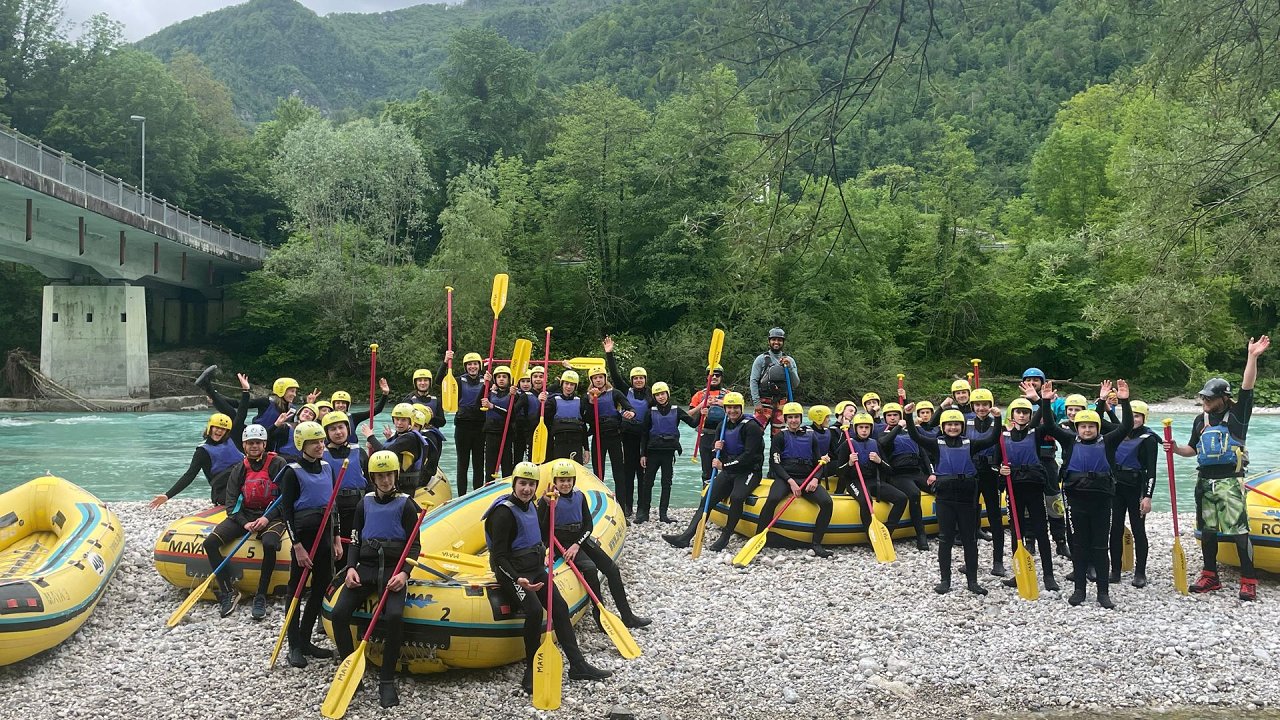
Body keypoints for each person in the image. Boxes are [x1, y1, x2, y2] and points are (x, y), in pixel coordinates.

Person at [484, 461, 612, 694]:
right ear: (514, 483)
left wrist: (547, 509)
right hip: (512, 574)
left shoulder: (531, 505)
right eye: (522, 484)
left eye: (531, 484)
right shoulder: (503, 513)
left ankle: (578, 665)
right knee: (533, 611)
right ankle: (532, 671)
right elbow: (499, 557)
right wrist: (517, 578)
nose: (527, 489)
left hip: (534, 568)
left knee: (560, 607)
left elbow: (539, 533)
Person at [1165, 335, 1269, 601]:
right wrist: (1175, 448)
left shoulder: (1237, 417)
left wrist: (1252, 357)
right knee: (1208, 531)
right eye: (1203, 397)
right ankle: (1210, 575)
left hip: (1230, 482)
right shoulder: (1200, 420)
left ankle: (1248, 579)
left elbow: (1247, 388)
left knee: (1239, 531)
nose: (1205, 401)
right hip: (1205, 482)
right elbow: (1192, 449)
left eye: (1209, 398)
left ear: (1223, 398)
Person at [330, 450, 422, 708]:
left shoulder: (406, 505)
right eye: (380, 476)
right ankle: (351, 670)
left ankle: (386, 679)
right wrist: (350, 568)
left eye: (389, 475)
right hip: (367, 567)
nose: (385, 480)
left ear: (396, 475)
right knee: (339, 614)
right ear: (373, 477)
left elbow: (414, 545)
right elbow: (356, 541)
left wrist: (404, 574)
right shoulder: (364, 503)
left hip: (393, 570)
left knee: (393, 616)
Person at [1040, 380, 1133, 608]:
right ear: (1077, 428)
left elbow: (1127, 426)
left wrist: (1124, 401)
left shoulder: (1108, 442)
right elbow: (1050, 427)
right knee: (1079, 546)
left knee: (1101, 546)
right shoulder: (1069, 440)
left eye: (1091, 426)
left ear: (1097, 428)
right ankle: (1079, 589)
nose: (1087, 430)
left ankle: (1103, 592)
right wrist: (1044, 401)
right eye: (1083, 427)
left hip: (1101, 501)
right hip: (1075, 501)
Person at [539, 459, 650, 629]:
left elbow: (588, 526)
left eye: (569, 480)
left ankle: (627, 616)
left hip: (579, 539)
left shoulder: (579, 496)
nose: (566, 484)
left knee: (612, 570)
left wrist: (577, 544)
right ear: (555, 481)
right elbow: (543, 529)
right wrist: (547, 506)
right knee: (590, 569)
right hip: (560, 542)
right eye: (562, 481)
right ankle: (600, 617)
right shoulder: (548, 500)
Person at [905, 406, 999, 595]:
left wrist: (997, 419)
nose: (953, 428)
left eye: (956, 424)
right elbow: (915, 436)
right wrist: (908, 415)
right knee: (945, 539)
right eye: (949, 424)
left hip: (966, 497)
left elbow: (991, 439)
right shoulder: (935, 443)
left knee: (969, 540)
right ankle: (945, 580)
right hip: (945, 498)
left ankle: (972, 582)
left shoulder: (970, 443)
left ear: (962, 426)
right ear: (943, 426)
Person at [203, 423, 289, 619]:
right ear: (244, 445)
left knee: (269, 543)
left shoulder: (278, 464)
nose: (254, 446)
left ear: (265, 444)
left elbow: (287, 498)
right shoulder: (240, 468)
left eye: (258, 442)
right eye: (250, 443)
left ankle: (261, 595)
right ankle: (228, 591)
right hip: (246, 514)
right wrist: (245, 523)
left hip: (272, 514)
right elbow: (231, 502)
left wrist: (267, 518)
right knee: (210, 543)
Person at [663, 392, 764, 552]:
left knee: (737, 497)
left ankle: (725, 536)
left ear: (741, 408)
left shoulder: (752, 427)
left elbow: (749, 456)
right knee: (707, 499)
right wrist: (715, 448)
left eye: (735, 408)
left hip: (749, 471)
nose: (732, 411)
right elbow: (714, 452)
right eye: (729, 408)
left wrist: (724, 466)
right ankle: (686, 536)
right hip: (729, 470)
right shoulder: (722, 425)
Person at [279, 421, 341, 667]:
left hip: (325, 538)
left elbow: (333, 506)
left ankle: (306, 640)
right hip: (303, 540)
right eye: (314, 442)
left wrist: (337, 537)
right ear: (301, 445)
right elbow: (286, 512)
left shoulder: (328, 467)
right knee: (296, 591)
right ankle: (293, 645)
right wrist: (297, 546)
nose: (320, 446)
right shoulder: (291, 472)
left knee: (319, 590)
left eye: (320, 441)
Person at [997, 391, 1059, 592]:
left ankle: (1049, 576)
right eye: (1018, 412)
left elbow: (1049, 423)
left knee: (1041, 530)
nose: (1022, 415)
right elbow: (995, 463)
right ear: (1012, 415)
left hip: (1033, 489)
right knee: (1017, 532)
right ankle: (1018, 573)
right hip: (1014, 490)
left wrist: (1045, 401)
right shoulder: (1002, 437)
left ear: (1030, 415)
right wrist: (1000, 469)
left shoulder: (1036, 432)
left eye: (1025, 412)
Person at [755, 402, 834, 558]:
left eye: (796, 417)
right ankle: (759, 537)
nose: (793, 420)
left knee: (827, 503)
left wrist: (815, 479)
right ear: (785, 419)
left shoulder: (811, 436)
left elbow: (820, 462)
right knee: (773, 499)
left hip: (807, 478)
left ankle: (817, 544)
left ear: (800, 418)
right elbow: (775, 463)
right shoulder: (779, 437)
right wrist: (790, 481)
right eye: (790, 417)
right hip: (785, 478)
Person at [838, 412, 909, 548]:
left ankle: (887, 531)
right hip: (855, 482)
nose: (864, 430)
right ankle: (871, 538)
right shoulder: (848, 445)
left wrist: (879, 461)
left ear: (871, 429)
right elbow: (839, 472)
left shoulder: (875, 444)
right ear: (855, 428)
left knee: (902, 498)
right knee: (866, 501)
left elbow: (889, 469)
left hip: (873, 481)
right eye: (861, 427)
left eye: (867, 427)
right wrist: (849, 464)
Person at [1020, 368, 1070, 557]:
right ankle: (1030, 540)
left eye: (1036, 380)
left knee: (1054, 499)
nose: (1032, 383)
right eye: (1029, 380)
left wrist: (1039, 400)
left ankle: (1060, 540)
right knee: (1028, 502)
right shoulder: (1018, 405)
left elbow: (1056, 421)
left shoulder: (1056, 403)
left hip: (1047, 458)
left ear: (1042, 382)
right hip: (1027, 459)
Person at [1109, 399, 1158, 588]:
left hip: (1137, 489)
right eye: (1132, 415)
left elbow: (1152, 472)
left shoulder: (1149, 439)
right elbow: (1104, 421)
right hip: (1117, 488)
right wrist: (1104, 404)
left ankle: (1140, 572)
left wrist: (1148, 496)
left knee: (1138, 530)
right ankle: (1115, 569)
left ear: (1144, 418)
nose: (1134, 419)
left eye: (1138, 416)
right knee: (1115, 529)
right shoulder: (1118, 433)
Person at [151, 412, 246, 508]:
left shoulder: (232, 440)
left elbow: (241, 414)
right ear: (210, 427)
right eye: (216, 427)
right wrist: (167, 495)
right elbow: (189, 475)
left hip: (243, 482)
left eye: (223, 429)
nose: (220, 431)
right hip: (224, 492)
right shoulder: (202, 452)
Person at [639, 382, 699, 523]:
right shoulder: (650, 411)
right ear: (654, 397)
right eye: (657, 395)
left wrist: (701, 414)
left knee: (666, 483)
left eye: (663, 394)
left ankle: (663, 514)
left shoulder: (676, 410)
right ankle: (644, 514)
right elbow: (644, 434)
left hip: (668, 453)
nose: (660, 397)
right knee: (648, 483)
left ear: (667, 394)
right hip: (653, 452)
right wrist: (643, 454)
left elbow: (693, 424)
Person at [875, 402, 931, 550]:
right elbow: (883, 443)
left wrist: (932, 474)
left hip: (917, 473)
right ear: (885, 418)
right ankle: (921, 535)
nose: (892, 418)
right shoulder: (883, 434)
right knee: (914, 494)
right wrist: (899, 426)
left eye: (895, 415)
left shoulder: (911, 433)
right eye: (889, 416)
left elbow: (924, 455)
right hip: (898, 475)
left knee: (942, 487)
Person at [604, 336, 648, 518]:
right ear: (632, 380)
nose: (638, 381)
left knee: (643, 476)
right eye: (635, 378)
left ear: (645, 380)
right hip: (628, 437)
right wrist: (609, 354)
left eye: (641, 378)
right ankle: (627, 506)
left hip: (644, 439)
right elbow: (614, 375)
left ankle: (642, 509)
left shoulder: (653, 394)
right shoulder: (624, 390)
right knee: (628, 473)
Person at [968, 388, 1006, 574]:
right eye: (978, 405)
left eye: (985, 404)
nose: (981, 408)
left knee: (995, 518)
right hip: (972, 475)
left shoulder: (998, 424)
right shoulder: (965, 424)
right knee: (971, 517)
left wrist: (1002, 474)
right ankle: (970, 561)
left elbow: (1004, 448)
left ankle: (998, 561)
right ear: (972, 406)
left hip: (991, 474)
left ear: (990, 406)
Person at [321, 411, 371, 544]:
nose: (338, 432)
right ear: (326, 433)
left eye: (341, 427)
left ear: (348, 429)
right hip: (332, 507)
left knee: (355, 542)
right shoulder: (320, 455)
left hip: (357, 505)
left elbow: (370, 482)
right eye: (333, 429)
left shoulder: (359, 452)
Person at [585, 365, 636, 489]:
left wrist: (632, 413)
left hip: (614, 436)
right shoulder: (587, 397)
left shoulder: (615, 393)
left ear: (605, 378)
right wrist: (591, 402)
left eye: (601, 377)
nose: (598, 380)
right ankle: (600, 498)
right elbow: (586, 418)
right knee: (598, 473)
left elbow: (629, 407)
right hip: (598, 436)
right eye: (595, 378)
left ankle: (621, 504)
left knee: (619, 473)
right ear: (591, 380)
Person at [363, 403, 425, 493]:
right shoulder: (400, 436)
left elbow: (386, 453)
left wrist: (370, 437)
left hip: (404, 486)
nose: (399, 423)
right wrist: (373, 447)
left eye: (403, 420)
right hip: (395, 483)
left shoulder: (410, 438)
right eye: (397, 419)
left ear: (410, 421)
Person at [452, 351, 488, 495]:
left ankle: (477, 494)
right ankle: (461, 496)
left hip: (480, 427)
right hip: (462, 427)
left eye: (475, 364)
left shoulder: (486, 381)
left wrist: (488, 381)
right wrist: (445, 362)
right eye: (469, 364)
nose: (472, 367)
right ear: (465, 366)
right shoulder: (458, 381)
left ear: (479, 366)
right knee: (463, 463)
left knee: (478, 464)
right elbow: (439, 382)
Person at [482, 365, 526, 481]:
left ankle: (507, 491)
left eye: (504, 377)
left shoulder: (515, 395)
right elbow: (479, 402)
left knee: (507, 467)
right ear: (495, 379)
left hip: (506, 434)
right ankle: (488, 490)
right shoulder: (489, 393)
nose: (501, 379)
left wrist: (493, 406)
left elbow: (511, 415)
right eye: (499, 377)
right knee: (490, 467)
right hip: (491, 433)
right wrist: (485, 384)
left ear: (509, 379)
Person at [748, 327, 798, 428]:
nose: (776, 342)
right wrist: (757, 402)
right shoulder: (761, 359)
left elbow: (795, 383)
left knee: (779, 436)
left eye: (779, 340)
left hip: (782, 403)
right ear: (769, 341)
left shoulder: (790, 361)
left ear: (783, 342)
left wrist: (790, 367)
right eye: (773, 339)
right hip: (764, 402)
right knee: (756, 431)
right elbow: (753, 381)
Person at [689, 365, 729, 489]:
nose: (715, 377)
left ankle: (724, 495)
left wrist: (722, 403)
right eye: (712, 375)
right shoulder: (699, 395)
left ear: (721, 377)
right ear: (707, 377)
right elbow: (688, 415)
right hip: (706, 435)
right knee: (707, 470)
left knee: (727, 468)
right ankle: (706, 497)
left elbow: (739, 412)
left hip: (724, 435)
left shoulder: (728, 395)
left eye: (718, 375)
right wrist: (702, 405)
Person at [542, 370, 589, 462]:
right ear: (562, 384)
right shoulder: (552, 402)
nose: (568, 387)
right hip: (558, 442)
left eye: (572, 384)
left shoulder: (580, 402)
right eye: (566, 383)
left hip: (576, 442)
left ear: (575, 386)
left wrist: (586, 449)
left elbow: (583, 427)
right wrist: (542, 404)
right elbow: (544, 422)